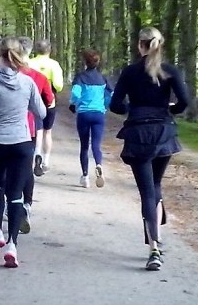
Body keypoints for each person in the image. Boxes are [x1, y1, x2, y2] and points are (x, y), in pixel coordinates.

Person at [109, 27, 188, 271]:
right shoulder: (170, 71)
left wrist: (131, 110)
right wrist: (169, 110)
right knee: (155, 185)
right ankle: (156, 238)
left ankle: (153, 247)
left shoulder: (130, 72)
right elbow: (184, 102)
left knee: (147, 191)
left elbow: (115, 105)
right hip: (163, 131)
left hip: (138, 133)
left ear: (139, 45)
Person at [0, 37, 45, 268]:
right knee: (16, 194)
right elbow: (41, 112)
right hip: (21, 142)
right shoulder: (27, 82)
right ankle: (12, 245)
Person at [17, 36, 54, 234]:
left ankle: (11, 204)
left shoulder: (1, 75)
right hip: (29, 127)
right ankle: (26, 204)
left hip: (4, 129)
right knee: (26, 167)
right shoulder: (38, 77)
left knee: (7, 169)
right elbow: (49, 101)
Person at [70, 49, 113, 189]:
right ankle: (99, 164)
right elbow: (111, 94)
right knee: (96, 144)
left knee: (84, 146)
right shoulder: (103, 78)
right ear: (97, 62)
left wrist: (73, 103)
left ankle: (85, 177)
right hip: (98, 114)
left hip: (84, 114)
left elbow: (76, 93)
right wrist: (105, 105)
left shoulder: (80, 77)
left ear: (85, 62)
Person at [28, 39, 64, 176]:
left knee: (37, 130)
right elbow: (59, 86)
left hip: (32, 101)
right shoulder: (54, 65)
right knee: (47, 131)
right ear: (49, 50)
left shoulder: (29, 63)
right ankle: (46, 161)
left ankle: (35, 157)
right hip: (49, 101)